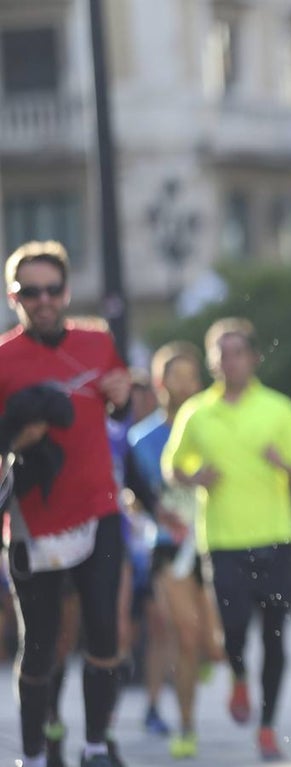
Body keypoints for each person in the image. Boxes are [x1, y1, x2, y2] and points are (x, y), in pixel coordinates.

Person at [162, 317, 291, 762]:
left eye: (236, 352)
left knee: (274, 636)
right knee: (231, 630)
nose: (228, 361)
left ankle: (267, 727)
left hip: (276, 538)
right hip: (223, 541)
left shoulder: (278, 408)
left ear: (253, 357)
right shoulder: (196, 412)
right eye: (220, 353)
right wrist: (193, 476)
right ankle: (237, 676)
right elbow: (171, 466)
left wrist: (284, 466)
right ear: (211, 360)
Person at [1, 241, 133, 767]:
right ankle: (33, 754)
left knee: (104, 631)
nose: (44, 300)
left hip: (99, 508)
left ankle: (96, 746)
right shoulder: (4, 358)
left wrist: (122, 400)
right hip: (34, 520)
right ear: (15, 297)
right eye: (31, 291)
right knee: (41, 644)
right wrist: (17, 435)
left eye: (52, 289)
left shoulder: (99, 341)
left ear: (67, 291)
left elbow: (120, 413)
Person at [128, 341, 225, 758]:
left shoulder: (211, 423)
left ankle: (207, 653)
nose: (184, 385)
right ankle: (185, 725)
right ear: (159, 381)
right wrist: (156, 513)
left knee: (214, 644)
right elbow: (133, 495)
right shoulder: (141, 438)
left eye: (191, 377)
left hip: (215, 539)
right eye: (175, 376)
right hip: (168, 545)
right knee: (182, 636)